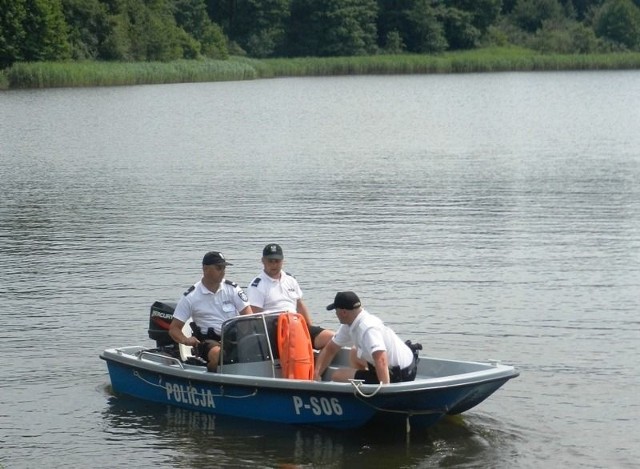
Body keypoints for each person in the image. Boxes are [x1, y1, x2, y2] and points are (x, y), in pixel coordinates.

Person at [169, 251, 253, 371]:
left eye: (224, 268)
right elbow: (174, 329)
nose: (223, 272)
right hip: (208, 342)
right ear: (205, 269)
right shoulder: (191, 296)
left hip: (234, 338)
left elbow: (249, 317)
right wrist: (186, 340)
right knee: (221, 357)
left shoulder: (233, 289)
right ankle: (209, 378)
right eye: (219, 268)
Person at [314, 291, 417, 384]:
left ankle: (370, 389)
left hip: (401, 375)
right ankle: (363, 384)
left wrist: (385, 391)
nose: (335, 313)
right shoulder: (350, 323)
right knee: (354, 352)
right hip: (405, 364)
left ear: (344, 312)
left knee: (337, 375)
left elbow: (381, 359)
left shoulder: (368, 329)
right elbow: (330, 349)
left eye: (336, 310)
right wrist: (316, 374)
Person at [247, 243, 333, 349]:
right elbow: (255, 317)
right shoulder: (257, 285)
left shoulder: (290, 280)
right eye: (270, 261)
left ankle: (317, 364)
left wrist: (308, 328)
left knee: (332, 338)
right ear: (263, 261)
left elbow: (300, 306)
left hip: (296, 325)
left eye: (277, 261)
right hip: (275, 331)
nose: (274, 265)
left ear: (283, 261)